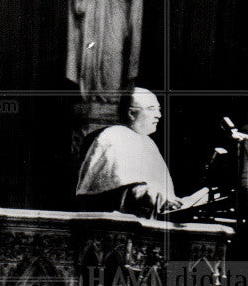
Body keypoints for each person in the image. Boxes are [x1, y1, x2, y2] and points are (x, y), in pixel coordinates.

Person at [76, 87, 182, 216]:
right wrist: (154, 196)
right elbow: (118, 191)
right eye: (151, 109)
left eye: (158, 109)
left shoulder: (148, 142)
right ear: (131, 113)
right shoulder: (114, 136)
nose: (158, 115)